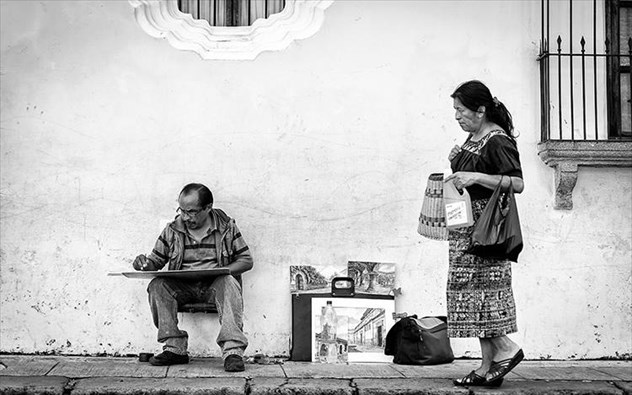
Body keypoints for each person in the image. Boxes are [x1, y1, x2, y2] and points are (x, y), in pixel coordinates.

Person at [443, 80, 524, 387]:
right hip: (466, 226)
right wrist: (457, 161)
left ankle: (506, 349)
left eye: (461, 110)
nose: (457, 116)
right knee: (471, 294)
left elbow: (516, 184)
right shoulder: (473, 136)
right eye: (455, 110)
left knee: (484, 295)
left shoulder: (497, 139)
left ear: (480, 110)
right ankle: (486, 367)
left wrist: (475, 174)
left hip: (486, 229)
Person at [132, 183, 253, 372]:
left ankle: (233, 352)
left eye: (192, 212)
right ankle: (175, 349)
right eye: (182, 211)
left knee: (229, 281)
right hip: (184, 288)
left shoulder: (227, 227)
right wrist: (144, 264)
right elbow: (156, 260)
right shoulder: (172, 229)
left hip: (215, 286)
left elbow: (246, 260)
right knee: (158, 285)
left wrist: (222, 271)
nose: (186, 217)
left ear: (208, 208)